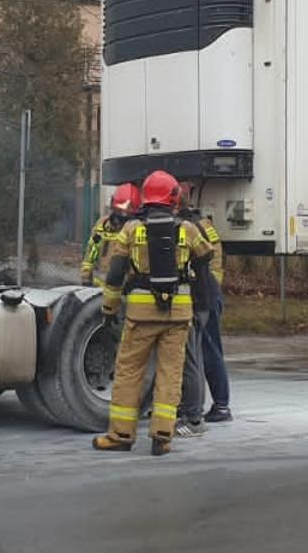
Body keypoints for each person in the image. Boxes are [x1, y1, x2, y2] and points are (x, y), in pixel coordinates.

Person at [93, 170, 214, 456]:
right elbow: (205, 262)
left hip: (140, 316)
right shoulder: (188, 229)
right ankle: (162, 435)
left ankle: (121, 435)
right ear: (173, 197)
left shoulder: (131, 230)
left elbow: (114, 275)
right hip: (178, 315)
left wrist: (109, 310)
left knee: (129, 373)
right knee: (170, 374)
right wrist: (202, 305)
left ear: (145, 197)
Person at [176, 196, 227, 433]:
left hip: (205, 296)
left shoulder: (191, 227)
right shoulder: (202, 224)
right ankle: (217, 405)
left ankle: (222, 406)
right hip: (208, 293)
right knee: (204, 349)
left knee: (208, 350)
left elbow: (212, 259)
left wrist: (207, 289)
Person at [82, 183, 140, 295]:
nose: (121, 220)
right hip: (99, 289)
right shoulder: (102, 225)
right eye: (119, 212)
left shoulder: (137, 229)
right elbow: (91, 252)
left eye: (127, 215)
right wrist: (86, 278)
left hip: (126, 290)